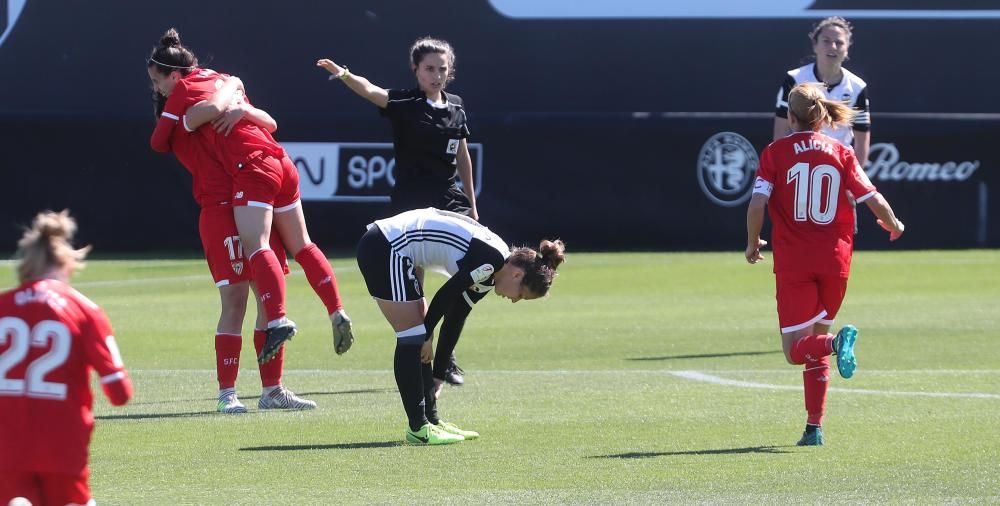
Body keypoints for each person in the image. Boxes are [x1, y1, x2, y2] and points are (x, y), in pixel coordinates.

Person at [147, 28, 354, 365]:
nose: (157, 89)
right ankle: (336, 310)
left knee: (254, 255)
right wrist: (236, 91)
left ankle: (278, 320)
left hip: (250, 172)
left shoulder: (184, 95)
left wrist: (227, 91)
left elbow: (165, 137)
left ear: (172, 76)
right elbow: (270, 123)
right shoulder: (223, 80)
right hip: (281, 161)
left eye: (157, 82)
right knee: (301, 244)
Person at [746, 83, 905, 446]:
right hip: (836, 261)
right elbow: (873, 198)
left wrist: (753, 241)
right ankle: (814, 428)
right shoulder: (841, 151)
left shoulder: (776, 152)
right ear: (821, 117)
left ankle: (836, 344)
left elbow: (757, 205)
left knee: (795, 351)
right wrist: (894, 225)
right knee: (813, 343)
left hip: (795, 262)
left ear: (790, 117)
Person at [149, 70, 315, 412]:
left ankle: (273, 390)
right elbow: (178, 124)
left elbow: (266, 122)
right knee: (234, 300)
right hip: (220, 211)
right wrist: (230, 86)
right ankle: (228, 393)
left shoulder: (214, 116)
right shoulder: (188, 120)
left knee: (268, 300)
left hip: (250, 200)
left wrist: (236, 98)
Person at [317, 37, 477, 388]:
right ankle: (424, 350)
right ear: (416, 70)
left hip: (450, 201)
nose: (436, 75)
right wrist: (344, 74)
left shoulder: (458, 107)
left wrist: (472, 204)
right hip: (412, 205)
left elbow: (462, 155)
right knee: (413, 286)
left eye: (442, 69)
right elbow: (371, 90)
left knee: (470, 272)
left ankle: (445, 355)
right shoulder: (406, 102)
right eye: (429, 69)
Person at [356, 208, 564, 444]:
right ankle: (419, 428)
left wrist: (439, 375)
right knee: (413, 336)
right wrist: (427, 336)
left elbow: (455, 317)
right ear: (517, 275)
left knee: (419, 331)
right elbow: (445, 294)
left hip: (394, 248)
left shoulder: (492, 273)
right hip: (386, 245)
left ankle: (432, 421)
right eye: (521, 295)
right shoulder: (491, 260)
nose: (515, 300)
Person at [0, 210, 133, 505]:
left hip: (5, 444)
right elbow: (120, 393)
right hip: (62, 444)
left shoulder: (2, 306)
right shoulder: (85, 311)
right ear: (68, 263)